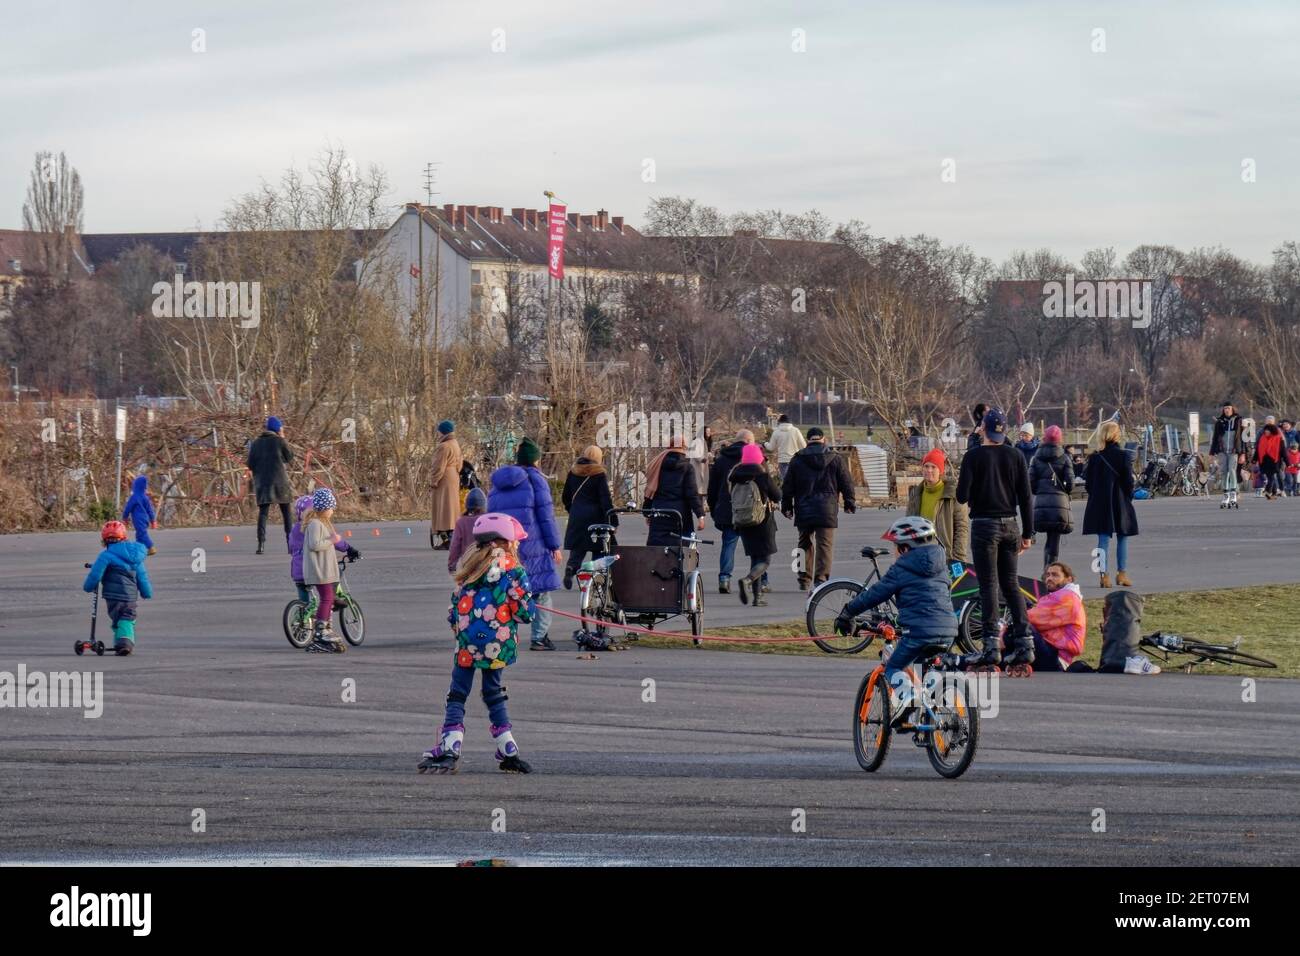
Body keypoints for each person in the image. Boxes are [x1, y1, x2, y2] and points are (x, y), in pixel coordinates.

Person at [418, 513, 535, 775]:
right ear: (506, 542)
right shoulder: (514, 572)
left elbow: (453, 610)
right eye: (515, 542)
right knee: (493, 692)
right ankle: (508, 748)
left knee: (458, 693)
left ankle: (450, 745)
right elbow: (525, 614)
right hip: (498, 645)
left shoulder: (469, 569)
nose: (517, 546)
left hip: (467, 644)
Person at [834, 517, 957, 713]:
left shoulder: (902, 568)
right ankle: (934, 711)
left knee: (893, 668)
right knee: (932, 666)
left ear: (905, 548)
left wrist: (847, 613)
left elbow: (875, 594)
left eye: (895, 547)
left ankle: (908, 697)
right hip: (949, 629)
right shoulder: (941, 565)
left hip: (918, 632)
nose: (894, 552)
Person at [954, 406, 1034, 671]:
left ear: (983, 429)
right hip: (1011, 523)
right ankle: (1025, 642)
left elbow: (962, 496)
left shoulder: (974, 456)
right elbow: (1025, 497)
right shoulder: (1015, 456)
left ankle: (990, 645)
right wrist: (1028, 533)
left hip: (984, 524)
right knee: (1010, 584)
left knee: (988, 585)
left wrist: (974, 445)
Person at [488, 437, 563, 651]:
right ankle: (539, 637)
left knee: (505, 591)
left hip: (503, 545)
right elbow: (546, 516)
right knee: (541, 591)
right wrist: (554, 546)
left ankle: (502, 634)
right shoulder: (535, 481)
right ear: (535, 461)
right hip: (533, 544)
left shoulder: (497, 483)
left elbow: (491, 514)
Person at [781, 426, 856, 590]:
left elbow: (787, 486)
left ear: (807, 440)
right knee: (825, 545)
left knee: (803, 543)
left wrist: (786, 506)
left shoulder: (797, 459)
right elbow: (846, 482)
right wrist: (850, 502)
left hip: (803, 506)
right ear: (824, 439)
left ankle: (803, 578)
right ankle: (821, 578)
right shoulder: (835, 458)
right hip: (827, 508)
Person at [82, 520, 153, 656]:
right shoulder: (135, 559)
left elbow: (95, 575)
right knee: (127, 618)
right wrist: (146, 592)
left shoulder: (105, 556)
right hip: (130, 597)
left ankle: (120, 644)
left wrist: (88, 587)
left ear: (104, 540)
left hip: (112, 597)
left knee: (117, 619)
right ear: (124, 537)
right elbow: (142, 577)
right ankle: (124, 643)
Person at [1082, 421, 1139, 588]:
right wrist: (1128, 497)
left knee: (1103, 540)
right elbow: (1128, 482)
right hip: (1120, 501)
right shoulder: (1123, 456)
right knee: (1123, 537)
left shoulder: (1095, 457)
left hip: (1100, 502)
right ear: (1116, 435)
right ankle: (1121, 573)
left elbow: (1088, 484)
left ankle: (1103, 575)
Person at [728, 442, 781, 607]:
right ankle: (747, 580)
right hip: (763, 522)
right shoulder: (762, 476)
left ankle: (757, 598)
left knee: (755, 558)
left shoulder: (734, 477)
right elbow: (777, 495)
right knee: (765, 560)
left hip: (743, 522)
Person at [561, 445, 617, 589]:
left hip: (577, 515)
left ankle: (571, 568)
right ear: (599, 458)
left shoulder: (573, 472)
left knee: (578, 549)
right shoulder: (599, 474)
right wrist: (613, 520)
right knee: (598, 549)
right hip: (596, 516)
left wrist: (572, 509)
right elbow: (605, 499)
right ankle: (595, 578)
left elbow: (565, 496)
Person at [706, 429, 754, 594]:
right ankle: (761, 581)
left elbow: (712, 489)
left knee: (728, 544)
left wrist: (713, 509)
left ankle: (724, 579)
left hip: (727, 509)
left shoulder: (721, 460)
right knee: (757, 546)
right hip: (750, 509)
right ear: (748, 441)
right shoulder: (754, 458)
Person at [301, 488, 347, 653]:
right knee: (327, 598)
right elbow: (315, 545)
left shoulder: (322, 523)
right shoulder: (315, 524)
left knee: (328, 597)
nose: (332, 511)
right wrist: (331, 540)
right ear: (323, 508)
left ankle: (324, 627)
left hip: (324, 570)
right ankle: (321, 630)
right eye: (331, 508)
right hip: (319, 570)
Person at [289, 493, 355, 607]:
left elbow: (290, 548)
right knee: (335, 574)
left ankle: (302, 615)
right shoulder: (316, 525)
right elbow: (336, 542)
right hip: (313, 568)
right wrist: (348, 548)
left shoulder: (295, 529)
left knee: (305, 601)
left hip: (297, 571)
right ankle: (333, 598)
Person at [905, 448, 968, 565]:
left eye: (933, 467)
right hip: (919, 553)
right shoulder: (916, 494)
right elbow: (908, 525)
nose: (929, 470)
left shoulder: (953, 493)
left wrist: (958, 559)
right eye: (926, 466)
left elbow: (961, 529)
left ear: (941, 471)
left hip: (944, 556)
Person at [643, 434, 705, 546]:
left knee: (657, 547)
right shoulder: (687, 467)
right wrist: (700, 515)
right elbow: (691, 494)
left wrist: (647, 512)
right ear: (684, 447)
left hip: (658, 511)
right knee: (683, 548)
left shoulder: (658, 464)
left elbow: (650, 488)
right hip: (680, 513)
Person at [1029, 425, 1075, 571]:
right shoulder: (1065, 458)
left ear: (1045, 438)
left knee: (1048, 541)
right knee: (1054, 540)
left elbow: (1030, 482)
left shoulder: (1036, 458)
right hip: (1059, 504)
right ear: (1059, 439)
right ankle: (1049, 570)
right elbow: (1071, 483)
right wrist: (1065, 491)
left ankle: (1046, 571)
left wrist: (1040, 491)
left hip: (1041, 502)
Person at [1025, 561, 1086, 671]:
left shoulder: (1066, 597)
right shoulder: (1064, 596)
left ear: (1069, 579)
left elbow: (1030, 618)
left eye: (1055, 575)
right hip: (1054, 654)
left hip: (1056, 658)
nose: (1049, 578)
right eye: (1048, 575)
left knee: (1022, 625)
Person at [247, 416, 293, 555]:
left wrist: (259, 472)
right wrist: (283, 438)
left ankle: (261, 544)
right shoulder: (279, 441)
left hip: (263, 483)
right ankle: (290, 544)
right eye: (281, 428)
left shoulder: (255, 444)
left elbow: (250, 464)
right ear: (278, 429)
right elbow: (289, 457)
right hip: (280, 482)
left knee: (263, 514)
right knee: (286, 514)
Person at [429, 420, 463, 550]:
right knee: (452, 509)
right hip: (454, 476)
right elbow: (460, 465)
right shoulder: (455, 444)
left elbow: (438, 467)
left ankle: (446, 538)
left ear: (442, 431)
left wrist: (433, 481)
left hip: (444, 479)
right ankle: (452, 536)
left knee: (442, 509)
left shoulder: (443, 446)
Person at [1209, 401, 1245, 508]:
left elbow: (1242, 439)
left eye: (1229, 408)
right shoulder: (1220, 422)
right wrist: (1211, 453)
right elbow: (1215, 438)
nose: (1227, 410)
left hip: (1234, 451)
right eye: (1225, 408)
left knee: (1232, 470)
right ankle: (1226, 495)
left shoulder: (1238, 420)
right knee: (1224, 471)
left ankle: (1233, 493)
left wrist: (1242, 453)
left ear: (1232, 409)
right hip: (1222, 451)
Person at [447, 487, 487, 575]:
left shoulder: (461, 522)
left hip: (467, 565)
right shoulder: (487, 520)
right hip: (485, 564)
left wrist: (452, 565)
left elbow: (455, 546)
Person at [121, 474, 157, 556]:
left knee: (142, 534)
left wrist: (124, 518)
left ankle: (151, 547)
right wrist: (153, 520)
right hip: (145, 519)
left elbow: (128, 508)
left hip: (138, 519)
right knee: (139, 534)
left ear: (135, 486)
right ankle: (138, 550)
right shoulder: (145, 497)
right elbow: (150, 510)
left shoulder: (134, 497)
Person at [765, 413, 807, 480]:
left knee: (785, 481)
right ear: (789, 421)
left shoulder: (776, 432)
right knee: (796, 480)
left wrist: (765, 443)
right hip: (795, 460)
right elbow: (804, 446)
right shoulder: (796, 431)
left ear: (779, 422)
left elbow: (771, 447)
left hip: (782, 460)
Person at [1256, 416, 1285, 500]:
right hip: (1265, 456)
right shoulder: (1261, 431)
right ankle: (1273, 492)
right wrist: (1257, 454)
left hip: (1276, 456)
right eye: (1268, 421)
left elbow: (1283, 442)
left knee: (1275, 475)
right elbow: (1257, 443)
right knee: (1270, 475)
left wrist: (1282, 455)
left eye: (1271, 421)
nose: (1269, 422)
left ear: (1274, 422)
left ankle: (1274, 491)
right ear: (1265, 421)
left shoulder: (1278, 430)